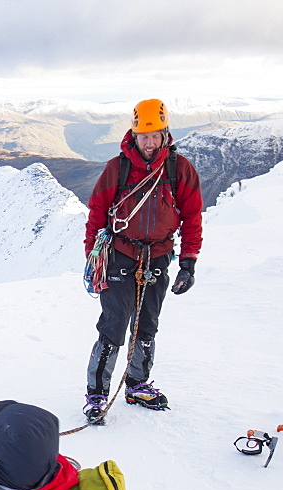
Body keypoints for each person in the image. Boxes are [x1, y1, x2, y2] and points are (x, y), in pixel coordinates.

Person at [82, 99, 203, 420]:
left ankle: (137, 384)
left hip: (159, 258)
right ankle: (97, 394)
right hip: (119, 255)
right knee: (113, 325)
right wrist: (93, 260)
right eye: (143, 137)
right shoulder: (116, 169)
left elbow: (192, 219)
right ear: (134, 136)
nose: (149, 144)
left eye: (155, 136)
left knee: (147, 325)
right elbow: (96, 216)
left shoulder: (180, 170)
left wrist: (188, 263)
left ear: (166, 134)